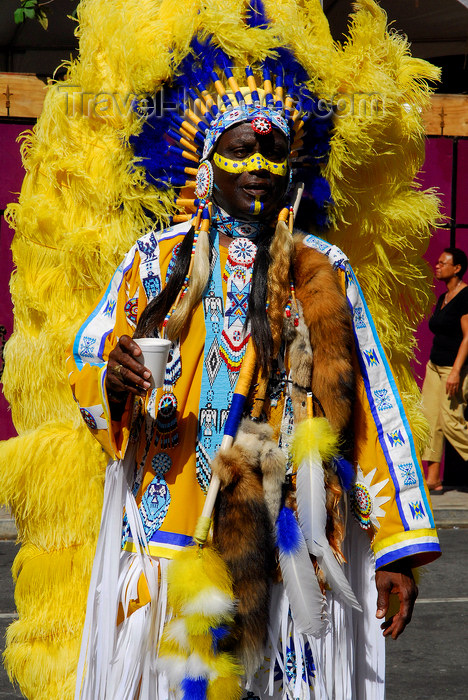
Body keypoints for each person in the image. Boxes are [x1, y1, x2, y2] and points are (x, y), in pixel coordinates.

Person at [66, 34, 441, 700]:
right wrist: (113, 376)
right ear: (208, 164)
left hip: (283, 538)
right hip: (169, 529)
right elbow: (91, 353)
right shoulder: (153, 262)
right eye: (241, 149)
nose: (261, 164)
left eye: (274, 150)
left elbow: (371, 408)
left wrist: (397, 549)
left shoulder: (322, 270)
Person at [422, 247, 468, 492]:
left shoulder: (465, 296)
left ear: (457, 268)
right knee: (430, 421)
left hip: (453, 368)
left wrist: (456, 371)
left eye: (443, 263)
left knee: (452, 423)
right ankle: (433, 479)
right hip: (434, 366)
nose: (437, 266)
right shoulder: (444, 297)